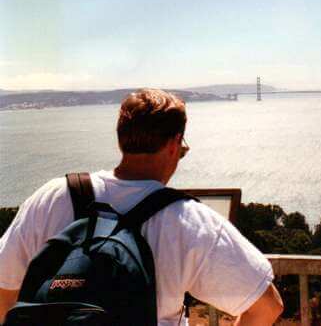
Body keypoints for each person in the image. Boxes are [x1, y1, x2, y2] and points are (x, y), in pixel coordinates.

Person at [0, 88, 283, 325]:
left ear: (121, 140)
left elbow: (4, 293)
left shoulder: (51, 197)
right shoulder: (190, 220)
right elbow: (266, 306)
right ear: (174, 145)